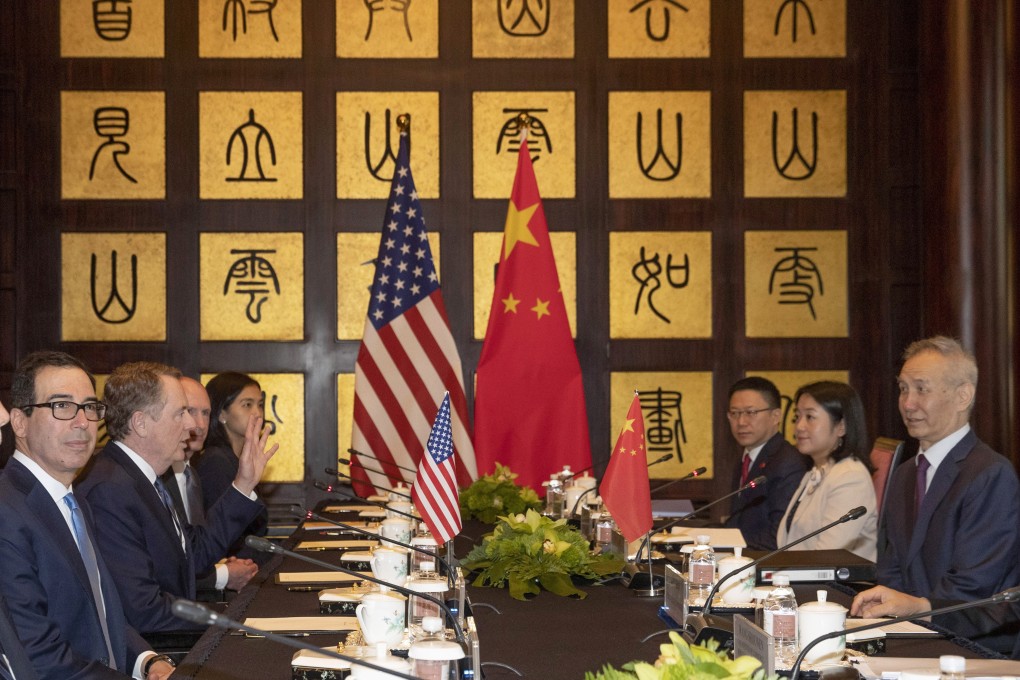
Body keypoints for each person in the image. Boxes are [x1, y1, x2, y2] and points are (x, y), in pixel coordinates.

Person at [0, 351, 174, 679]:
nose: (82, 423)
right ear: (20, 421)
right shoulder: (7, 511)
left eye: (90, 408)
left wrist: (146, 661)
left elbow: (100, 612)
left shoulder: (74, 500)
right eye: (61, 406)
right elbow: (36, 656)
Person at [77, 361, 277, 634]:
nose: (193, 425)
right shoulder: (110, 491)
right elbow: (143, 611)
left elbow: (194, 553)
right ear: (141, 423)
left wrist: (243, 483)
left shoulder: (143, 479)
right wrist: (231, 618)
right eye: (181, 413)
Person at [852, 336, 1020, 655]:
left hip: (972, 647)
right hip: (914, 634)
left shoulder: (990, 474)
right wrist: (888, 609)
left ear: (962, 396)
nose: (908, 402)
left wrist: (915, 610)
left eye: (921, 389)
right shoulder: (904, 473)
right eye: (903, 388)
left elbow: (975, 588)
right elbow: (892, 566)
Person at [159, 377, 257, 597]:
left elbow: (197, 549)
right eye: (189, 411)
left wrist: (223, 564)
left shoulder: (191, 473)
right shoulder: (160, 478)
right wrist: (223, 574)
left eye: (206, 413)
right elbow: (166, 569)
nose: (199, 425)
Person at [776, 381, 878, 560]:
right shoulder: (818, 469)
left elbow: (826, 557)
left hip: (833, 585)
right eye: (797, 417)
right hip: (799, 576)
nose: (799, 426)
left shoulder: (850, 477)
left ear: (841, 427)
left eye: (810, 417)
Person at [723, 377, 810, 550]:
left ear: (775, 416)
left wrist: (718, 548)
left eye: (751, 412)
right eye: (735, 413)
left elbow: (778, 535)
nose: (741, 422)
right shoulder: (748, 457)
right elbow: (737, 523)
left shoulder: (787, 463)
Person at [194, 371, 271, 558]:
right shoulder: (215, 462)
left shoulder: (237, 459)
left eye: (260, 405)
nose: (257, 413)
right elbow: (225, 535)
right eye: (247, 405)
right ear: (221, 414)